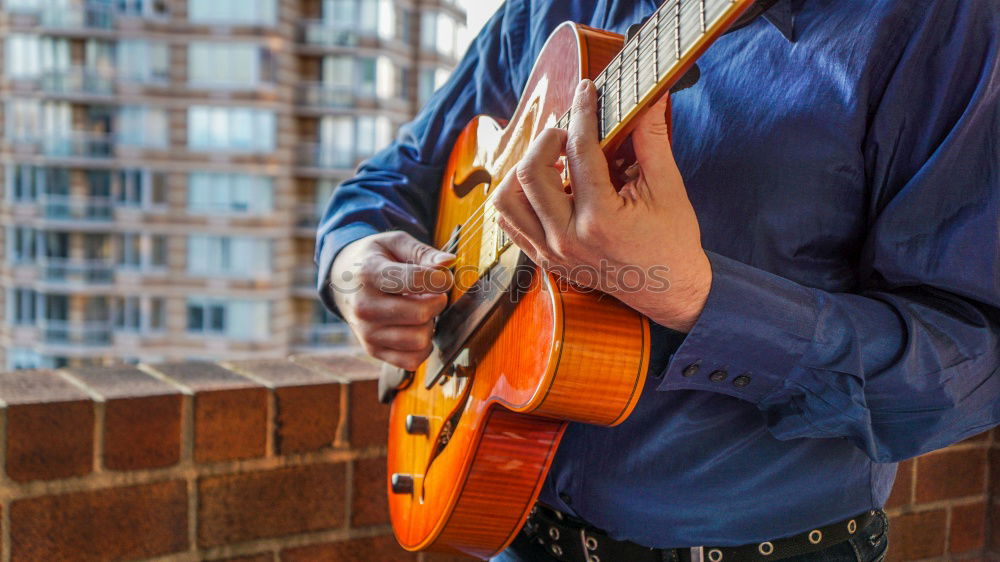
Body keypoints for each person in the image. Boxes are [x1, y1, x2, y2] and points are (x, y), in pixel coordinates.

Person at [316, 1, 1000, 560]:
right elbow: (395, 176)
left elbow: (972, 363)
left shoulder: (946, 21)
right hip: (513, 534)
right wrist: (350, 263)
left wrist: (698, 298)